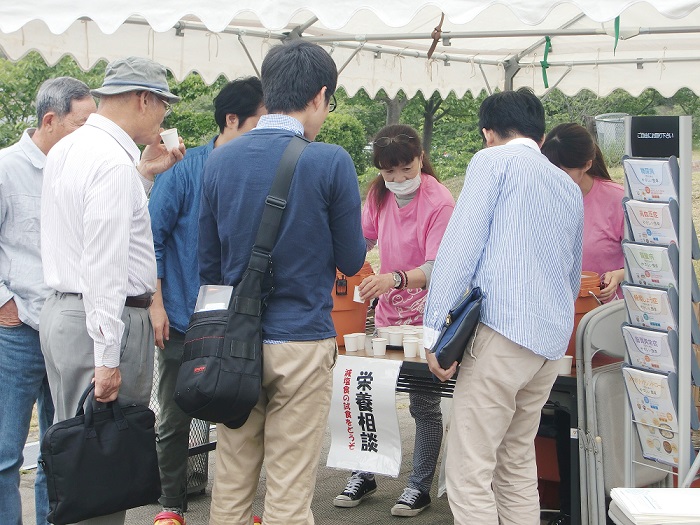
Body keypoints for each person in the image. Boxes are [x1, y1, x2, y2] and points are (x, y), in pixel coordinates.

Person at [199, 40, 366, 525]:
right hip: (300, 340)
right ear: (319, 96)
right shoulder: (329, 160)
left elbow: (208, 266)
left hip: (235, 343)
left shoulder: (219, 161)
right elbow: (353, 258)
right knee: (289, 494)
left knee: (230, 482)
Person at [423, 88, 584, 525]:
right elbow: (572, 276)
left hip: (501, 334)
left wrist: (433, 331)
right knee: (516, 463)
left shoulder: (492, 161)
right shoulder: (566, 186)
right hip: (547, 344)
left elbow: (460, 248)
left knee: (470, 470)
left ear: (487, 133)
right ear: (541, 132)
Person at [39, 56, 185, 525]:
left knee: (79, 452)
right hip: (104, 318)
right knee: (103, 464)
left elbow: (89, 232)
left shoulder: (70, 146)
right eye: (162, 104)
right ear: (144, 99)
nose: (164, 116)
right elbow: (103, 262)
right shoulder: (109, 161)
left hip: (68, 313)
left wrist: (144, 176)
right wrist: (107, 357)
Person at [148, 77, 265, 525]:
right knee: (175, 415)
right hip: (182, 314)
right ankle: (171, 505)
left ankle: (236, 508)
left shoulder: (262, 170)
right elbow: (152, 240)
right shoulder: (183, 168)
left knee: (242, 413)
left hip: (240, 319)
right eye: (258, 122)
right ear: (231, 120)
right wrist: (156, 305)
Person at [333, 124, 454, 517]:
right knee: (367, 393)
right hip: (386, 312)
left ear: (420, 159)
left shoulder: (439, 201)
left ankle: (418, 486)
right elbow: (361, 240)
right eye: (389, 172)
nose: (398, 179)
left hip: (427, 317)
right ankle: (364, 472)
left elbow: (439, 266)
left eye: (405, 168)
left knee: (423, 403)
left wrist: (395, 278)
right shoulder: (378, 195)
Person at [0, 77, 96, 525]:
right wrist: (5, 304)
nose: (89, 134)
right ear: (50, 120)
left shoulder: (81, 169)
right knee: (4, 452)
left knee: (58, 449)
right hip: (18, 331)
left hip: (66, 329)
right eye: (82, 124)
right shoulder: (6, 168)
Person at [541, 123, 625, 301]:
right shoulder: (542, 198)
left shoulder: (617, 199)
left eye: (563, 172)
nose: (554, 178)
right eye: (549, 170)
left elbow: (645, 260)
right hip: (558, 309)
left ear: (587, 165)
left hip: (604, 312)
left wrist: (618, 276)